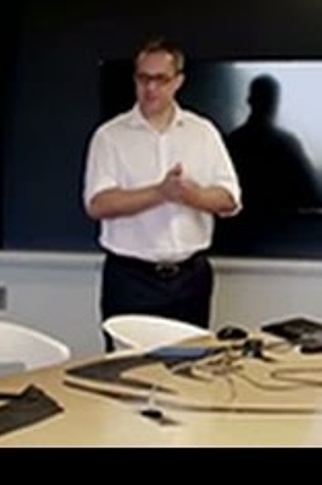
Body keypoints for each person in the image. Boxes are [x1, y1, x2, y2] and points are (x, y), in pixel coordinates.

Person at [83, 37, 242, 350]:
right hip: (131, 278)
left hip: (191, 277)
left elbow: (229, 199)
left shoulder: (203, 132)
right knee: (128, 371)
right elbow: (97, 204)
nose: (151, 88)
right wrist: (160, 192)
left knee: (190, 368)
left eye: (160, 79)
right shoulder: (110, 136)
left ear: (178, 81)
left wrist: (190, 196)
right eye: (143, 78)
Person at [226, 73, 318, 216]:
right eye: (270, 100)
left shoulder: (233, 142)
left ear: (249, 100)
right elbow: (310, 192)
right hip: (285, 225)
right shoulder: (288, 144)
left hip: (242, 225)